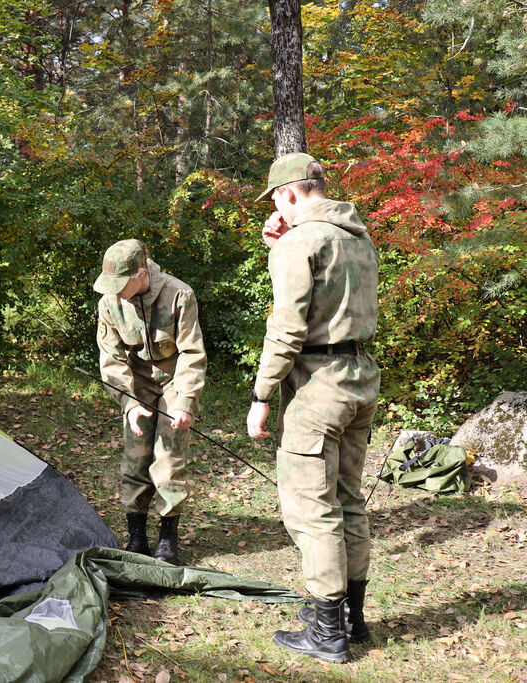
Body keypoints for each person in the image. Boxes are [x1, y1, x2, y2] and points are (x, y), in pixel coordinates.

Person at [246, 152, 379, 663]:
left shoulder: (301, 241)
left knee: (312, 508)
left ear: (289, 193)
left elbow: (287, 327)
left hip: (318, 386)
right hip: (360, 377)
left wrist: (261, 395)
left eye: (277, 199)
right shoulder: (357, 237)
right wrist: (279, 246)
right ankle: (352, 619)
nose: (276, 208)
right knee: (348, 499)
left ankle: (327, 633)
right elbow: (330, 299)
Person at [94, 239, 207, 564]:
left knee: (169, 458)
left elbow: (191, 353)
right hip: (137, 384)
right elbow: (112, 360)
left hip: (174, 381)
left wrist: (185, 401)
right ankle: (137, 537)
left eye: (120, 284)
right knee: (136, 458)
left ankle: (167, 538)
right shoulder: (109, 303)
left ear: (141, 274)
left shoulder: (179, 294)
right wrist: (129, 403)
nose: (115, 292)